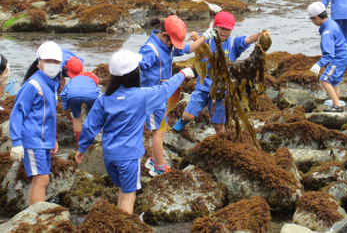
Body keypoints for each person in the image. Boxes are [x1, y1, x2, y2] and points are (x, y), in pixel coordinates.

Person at [75, 50, 194, 215]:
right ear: (133, 74)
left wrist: (82, 148)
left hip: (110, 156)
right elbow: (165, 90)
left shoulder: (104, 98)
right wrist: (182, 74)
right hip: (129, 157)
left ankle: (118, 221)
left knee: (122, 191)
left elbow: (90, 125)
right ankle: (124, 225)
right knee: (129, 197)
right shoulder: (141, 96)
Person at [140, 15, 215, 177]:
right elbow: (135, 68)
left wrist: (204, 37)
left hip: (163, 95)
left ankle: (154, 159)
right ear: (165, 35)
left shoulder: (168, 44)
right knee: (158, 132)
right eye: (172, 43)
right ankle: (159, 167)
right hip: (153, 97)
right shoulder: (150, 50)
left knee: (161, 128)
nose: (174, 47)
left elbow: (187, 49)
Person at [172, 11, 262, 135]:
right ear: (214, 27)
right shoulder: (207, 39)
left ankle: (222, 141)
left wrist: (261, 35)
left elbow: (248, 40)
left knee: (218, 126)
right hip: (203, 87)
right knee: (188, 116)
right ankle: (183, 121)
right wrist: (193, 34)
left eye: (228, 29)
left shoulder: (233, 43)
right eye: (222, 28)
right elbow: (196, 39)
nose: (225, 32)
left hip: (221, 91)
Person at [9, 41, 63, 206]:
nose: (52, 65)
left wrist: (52, 139)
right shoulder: (34, 84)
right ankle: (37, 217)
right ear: (39, 62)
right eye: (48, 61)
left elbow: (49, 117)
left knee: (40, 180)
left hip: (43, 140)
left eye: (56, 62)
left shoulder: (52, 83)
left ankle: (32, 215)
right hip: (32, 139)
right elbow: (18, 112)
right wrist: (16, 142)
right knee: (42, 179)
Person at [307, 2, 347, 113]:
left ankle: (337, 105)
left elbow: (329, 54)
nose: (312, 22)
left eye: (311, 19)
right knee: (334, 82)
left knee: (324, 80)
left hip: (338, 59)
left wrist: (319, 64)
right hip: (344, 57)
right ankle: (334, 102)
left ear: (316, 17)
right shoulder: (331, 23)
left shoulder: (327, 31)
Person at [60, 56, 101, 147]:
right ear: (82, 68)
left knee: (77, 118)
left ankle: (78, 143)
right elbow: (97, 92)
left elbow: (63, 98)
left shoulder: (71, 82)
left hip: (73, 95)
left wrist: (69, 117)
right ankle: (91, 140)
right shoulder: (90, 78)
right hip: (92, 95)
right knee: (92, 116)